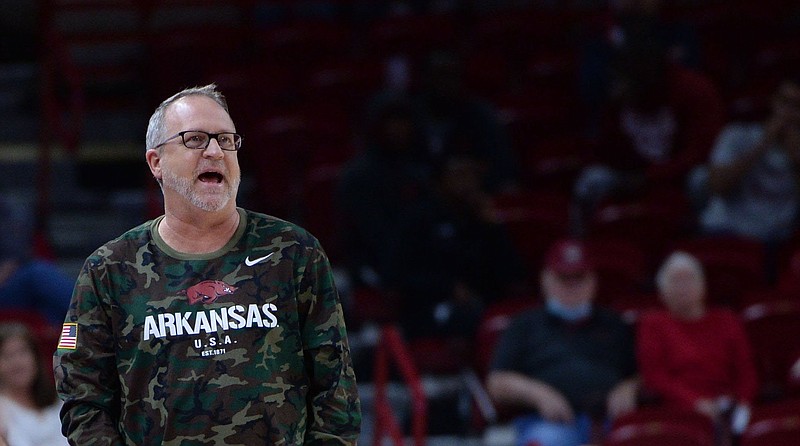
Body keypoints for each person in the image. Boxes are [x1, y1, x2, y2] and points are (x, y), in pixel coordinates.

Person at [53, 84, 361, 445]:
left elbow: (336, 389)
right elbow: (81, 397)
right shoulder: (108, 270)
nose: (215, 151)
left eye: (227, 140)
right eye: (195, 139)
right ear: (156, 162)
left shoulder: (294, 252)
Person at [486, 239, 638, 446]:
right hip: (548, 423)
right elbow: (497, 382)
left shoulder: (614, 323)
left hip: (611, 421)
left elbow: (644, 374)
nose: (572, 285)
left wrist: (629, 388)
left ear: (593, 281)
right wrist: (538, 394)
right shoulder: (524, 325)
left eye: (579, 277)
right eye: (563, 277)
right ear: (545, 279)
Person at [572, 30, 725, 234]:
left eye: (626, 81)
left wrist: (651, 176)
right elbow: (603, 153)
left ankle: (703, 245)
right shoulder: (618, 98)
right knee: (592, 180)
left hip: (679, 175)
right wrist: (612, 112)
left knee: (701, 180)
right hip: (632, 175)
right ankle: (582, 248)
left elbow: (700, 154)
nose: (620, 86)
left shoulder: (694, 90)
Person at [383, 153, 528, 343]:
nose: (467, 182)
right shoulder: (417, 219)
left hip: (483, 302)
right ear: (440, 182)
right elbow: (396, 276)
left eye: (472, 175)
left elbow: (513, 274)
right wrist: (447, 287)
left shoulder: (482, 220)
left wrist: (494, 229)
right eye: (459, 174)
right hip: (430, 306)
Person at [637, 251, 758, 437]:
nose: (683, 287)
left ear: (703, 285)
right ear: (661, 291)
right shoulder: (654, 323)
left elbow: (746, 370)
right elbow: (655, 376)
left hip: (728, 407)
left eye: (689, 279)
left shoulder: (727, 320)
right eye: (675, 281)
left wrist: (743, 404)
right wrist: (696, 403)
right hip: (678, 411)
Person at [689, 77, 800, 246]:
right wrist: (762, 144)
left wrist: (796, 160)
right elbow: (717, 186)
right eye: (785, 102)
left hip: (774, 242)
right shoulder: (736, 135)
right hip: (723, 230)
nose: (789, 113)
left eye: (797, 107)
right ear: (773, 101)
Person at [0, 196, 74, 325]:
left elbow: (17, 254)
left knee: (51, 305)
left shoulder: (8, 209)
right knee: (38, 273)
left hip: (10, 283)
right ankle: (94, 312)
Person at [0, 322, 68, 446]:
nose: (17, 363)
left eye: (23, 353)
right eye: (7, 356)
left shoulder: (60, 397)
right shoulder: (2, 410)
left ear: (36, 357)